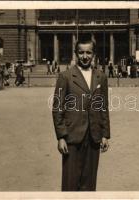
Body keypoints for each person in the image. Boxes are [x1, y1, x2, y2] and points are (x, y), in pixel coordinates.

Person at [52, 34, 110, 191]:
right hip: (72, 137)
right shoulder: (66, 77)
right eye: (81, 52)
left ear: (94, 54)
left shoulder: (101, 77)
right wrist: (61, 137)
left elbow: (103, 107)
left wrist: (105, 134)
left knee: (89, 184)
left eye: (88, 52)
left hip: (93, 136)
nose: (85, 56)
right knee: (70, 183)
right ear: (76, 53)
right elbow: (58, 108)